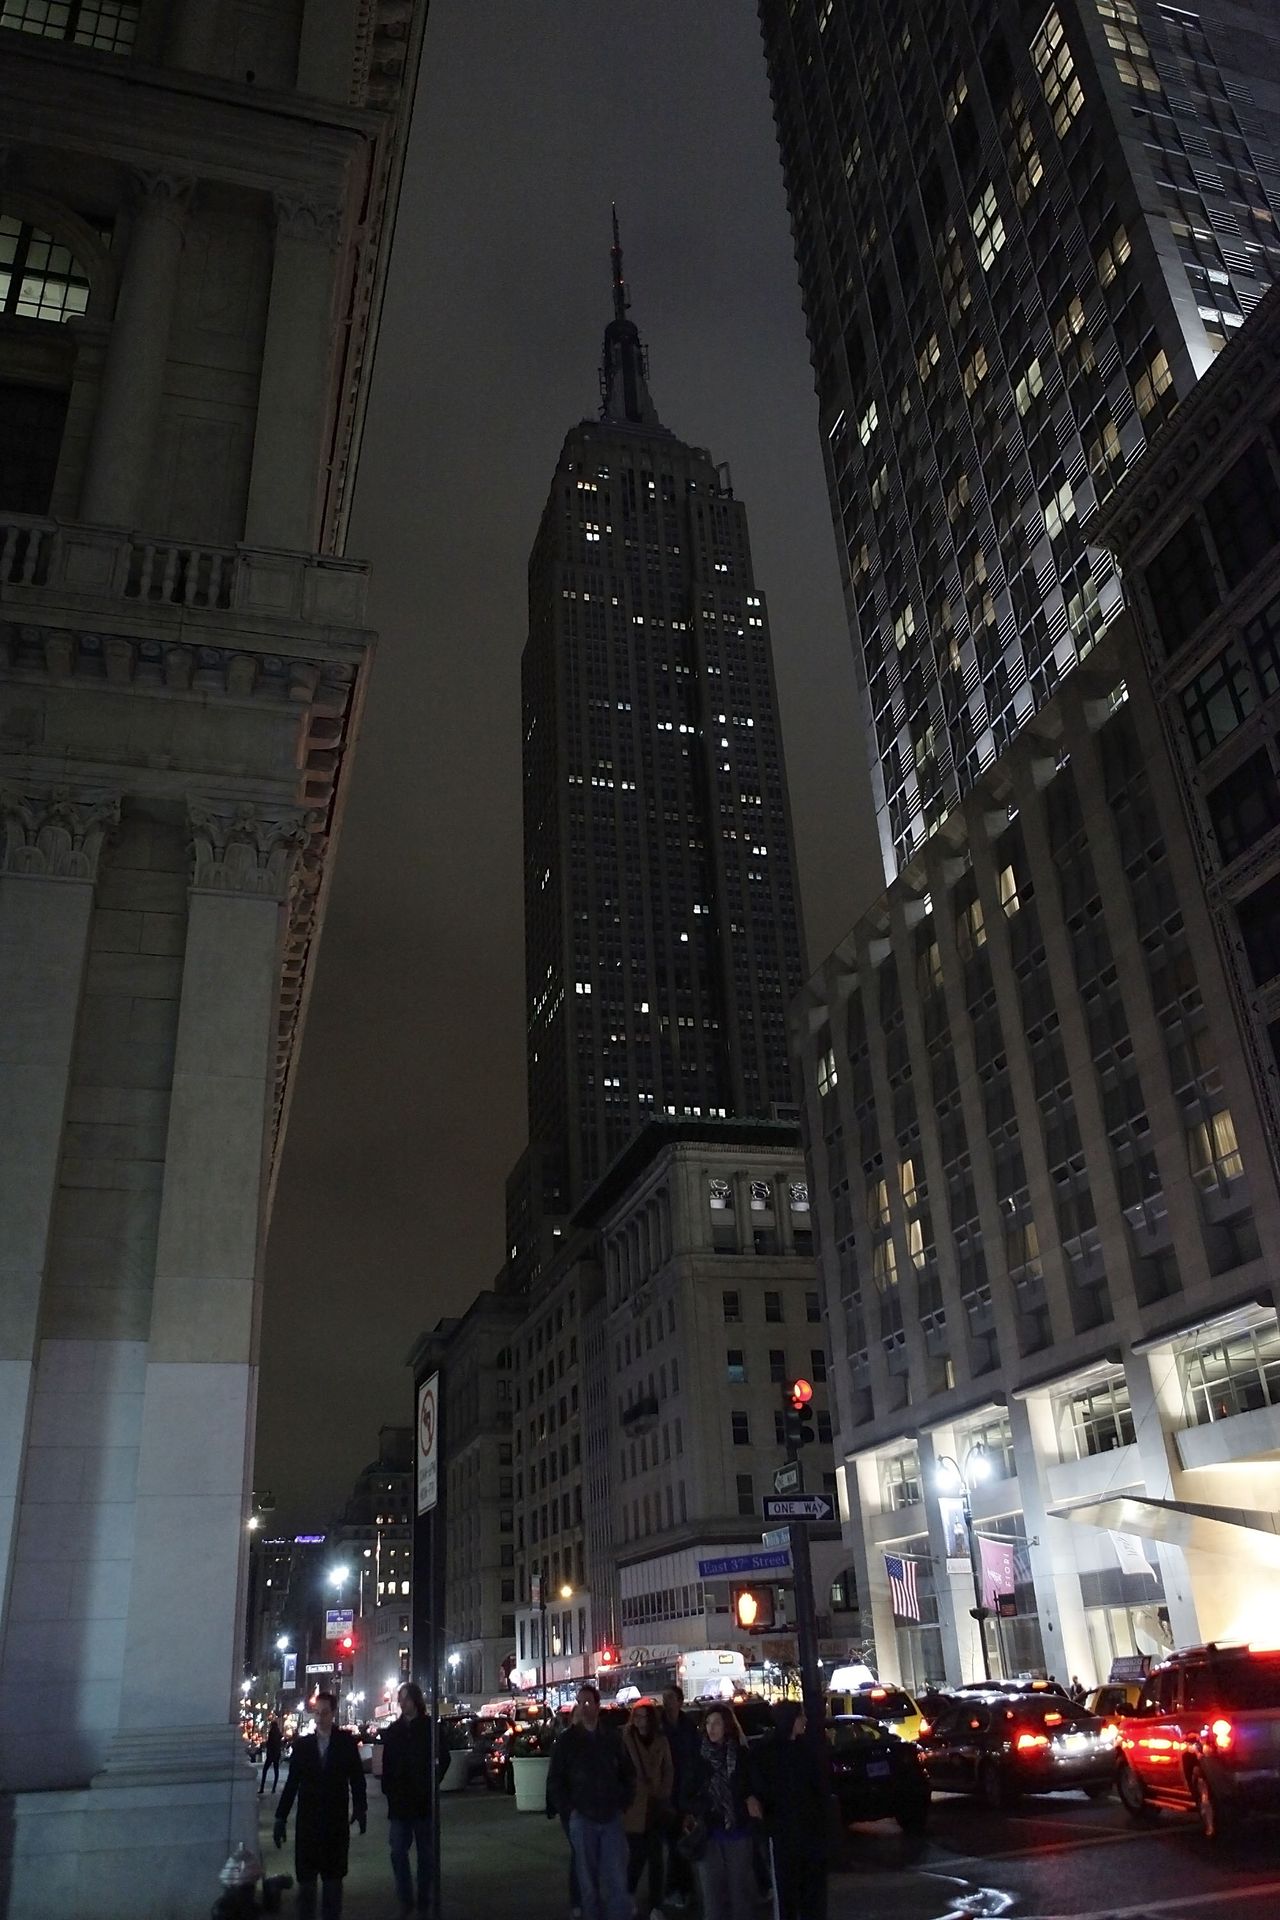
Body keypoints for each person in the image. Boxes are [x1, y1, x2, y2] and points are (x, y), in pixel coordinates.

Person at [273, 1691, 367, 1920]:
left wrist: (360, 1807)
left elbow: (356, 1778)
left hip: (335, 1822)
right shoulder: (303, 1746)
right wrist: (281, 1817)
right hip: (309, 1822)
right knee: (306, 1887)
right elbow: (292, 1784)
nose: (320, 1718)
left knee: (333, 1886)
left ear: (333, 1714)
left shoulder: (345, 1743)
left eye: (325, 1713)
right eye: (317, 1713)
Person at [547, 1683, 635, 1920]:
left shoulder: (612, 1739)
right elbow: (555, 1780)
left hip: (610, 1815)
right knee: (587, 1880)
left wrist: (623, 1802)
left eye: (589, 1703)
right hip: (582, 1817)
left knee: (616, 1878)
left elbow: (628, 1773)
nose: (585, 1708)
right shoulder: (567, 1742)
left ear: (598, 1706)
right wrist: (570, 1810)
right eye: (581, 1702)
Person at [678, 1706, 763, 1920]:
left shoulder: (740, 1754)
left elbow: (752, 1785)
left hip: (738, 1830)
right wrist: (703, 1805)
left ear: (727, 1726)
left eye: (716, 1723)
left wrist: (749, 1797)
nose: (711, 1728)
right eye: (708, 1723)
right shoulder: (699, 1758)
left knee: (739, 1893)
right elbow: (685, 1795)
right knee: (712, 1896)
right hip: (710, 1832)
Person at [754, 1704, 829, 1920]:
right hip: (784, 1834)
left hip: (809, 1834)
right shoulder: (768, 1752)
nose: (804, 1720)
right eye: (800, 1716)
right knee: (788, 1893)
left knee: (811, 1892)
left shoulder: (805, 1748)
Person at [381, 1681, 445, 1918]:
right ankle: (406, 1899)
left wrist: (430, 1782)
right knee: (397, 1852)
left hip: (421, 1802)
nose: (402, 1703)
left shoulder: (428, 1728)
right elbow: (387, 1764)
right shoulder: (395, 1730)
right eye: (401, 1699)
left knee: (426, 1855)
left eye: (406, 1698)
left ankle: (423, 1900)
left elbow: (443, 1757)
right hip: (400, 1803)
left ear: (415, 1700)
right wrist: (389, 1788)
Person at [622, 1701, 674, 1920]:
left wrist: (664, 1791)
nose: (641, 1721)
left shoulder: (661, 1740)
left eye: (645, 1717)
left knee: (656, 1857)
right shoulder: (626, 1740)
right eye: (637, 1717)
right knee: (637, 1856)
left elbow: (668, 1768)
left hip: (655, 1804)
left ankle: (656, 1905)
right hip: (635, 1806)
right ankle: (628, 1896)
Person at [659, 1685, 700, 1910]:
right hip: (667, 1793)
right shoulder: (661, 1727)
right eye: (665, 1698)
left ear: (680, 1701)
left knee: (681, 1843)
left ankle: (680, 1890)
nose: (667, 1702)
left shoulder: (688, 1726)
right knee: (674, 1844)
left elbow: (694, 1758)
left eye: (671, 1698)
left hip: (685, 1791)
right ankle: (679, 1890)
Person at [259, 1716, 283, 1796]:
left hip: (271, 1754)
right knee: (276, 1771)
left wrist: (266, 1746)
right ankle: (273, 1788)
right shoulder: (279, 1734)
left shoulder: (271, 1733)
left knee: (265, 1770)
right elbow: (280, 1743)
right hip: (276, 1754)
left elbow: (269, 1743)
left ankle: (262, 1787)